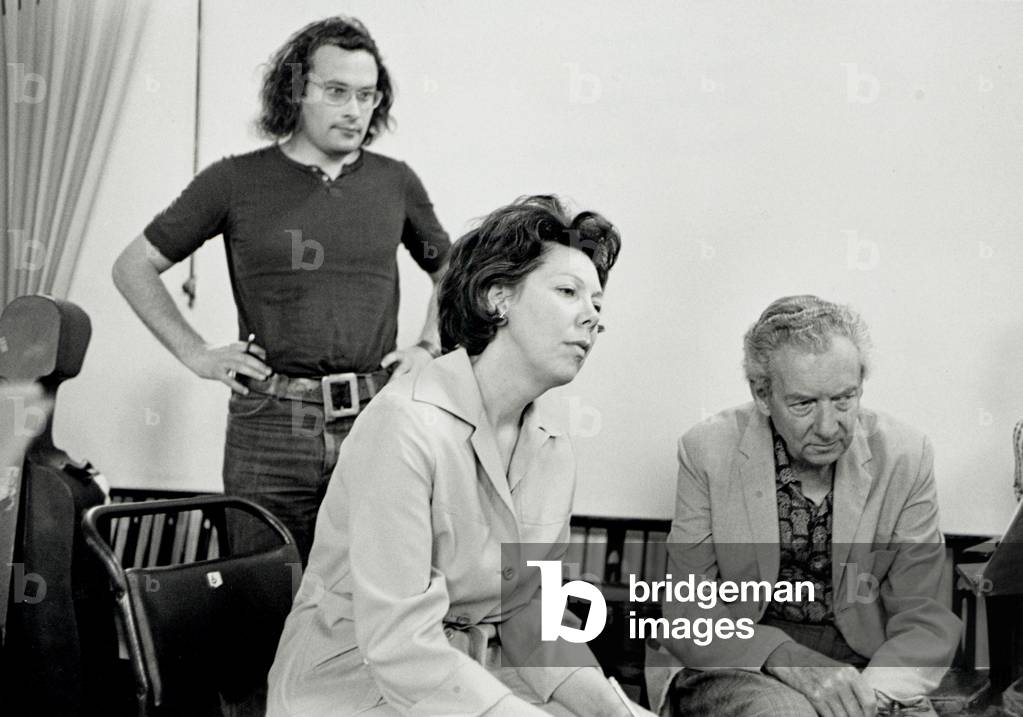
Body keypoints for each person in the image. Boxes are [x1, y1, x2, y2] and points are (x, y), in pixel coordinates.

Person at [267, 195, 654, 716]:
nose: (592, 318)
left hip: (470, 679)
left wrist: (616, 712)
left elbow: (532, 620)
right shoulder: (403, 423)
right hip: (352, 687)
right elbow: (402, 648)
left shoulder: (553, 444)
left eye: (598, 305)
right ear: (498, 298)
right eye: (568, 292)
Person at [112, 16, 450, 565]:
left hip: (374, 413)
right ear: (296, 90)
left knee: (365, 597)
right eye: (336, 91)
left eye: (367, 95)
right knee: (263, 595)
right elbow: (133, 266)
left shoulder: (396, 181)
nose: (355, 109)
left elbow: (451, 272)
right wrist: (196, 353)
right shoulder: (234, 180)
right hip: (268, 423)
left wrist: (428, 347)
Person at [653, 295, 961, 717]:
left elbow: (922, 618)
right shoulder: (706, 450)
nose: (828, 426)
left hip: (867, 667)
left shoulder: (908, 455)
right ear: (763, 395)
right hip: (740, 660)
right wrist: (789, 660)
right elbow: (688, 610)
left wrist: (872, 697)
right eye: (803, 404)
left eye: (844, 399)